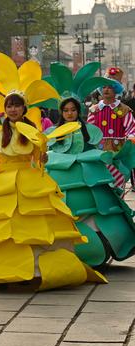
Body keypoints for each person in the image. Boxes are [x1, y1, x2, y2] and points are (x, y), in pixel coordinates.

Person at [0, 52, 107, 290]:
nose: (13, 109)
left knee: (31, 228)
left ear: (24, 108)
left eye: (17, 105)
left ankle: (34, 270)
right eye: (9, 105)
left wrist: (43, 154)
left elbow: (38, 158)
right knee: (0, 229)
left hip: (29, 184)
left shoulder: (33, 131)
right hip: (1, 184)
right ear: (4, 108)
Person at [43, 61, 135, 267]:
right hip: (63, 174)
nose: (69, 113)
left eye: (72, 110)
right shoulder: (91, 112)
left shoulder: (121, 110)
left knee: (103, 200)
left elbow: (124, 130)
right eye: (65, 110)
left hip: (100, 160)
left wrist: (125, 144)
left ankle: (103, 243)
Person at [86, 67, 135, 190]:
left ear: (116, 89)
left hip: (118, 150)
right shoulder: (94, 109)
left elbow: (131, 127)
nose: (106, 89)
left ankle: (120, 204)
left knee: (118, 180)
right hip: (99, 151)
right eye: (104, 87)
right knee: (101, 182)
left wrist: (131, 138)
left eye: (110, 87)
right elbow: (89, 130)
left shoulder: (123, 109)